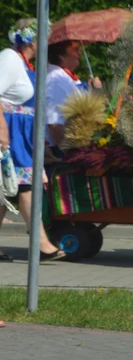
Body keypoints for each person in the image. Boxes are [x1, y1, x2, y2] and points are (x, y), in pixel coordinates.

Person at [1, 20, 65, 262]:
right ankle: (42, 245)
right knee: (27, 186)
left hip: (22, 134)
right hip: (10, 133)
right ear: (31, 40)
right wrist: (2, 130)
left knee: (4, 191)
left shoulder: (26, 63)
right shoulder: (9, 58)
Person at [45, 40, 101, 147]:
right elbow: (54, 123)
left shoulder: (64, 77)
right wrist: (69, 152)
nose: (79, 53)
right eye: (75, 49)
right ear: (61, 55)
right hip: (62, 150)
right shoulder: (56, 79)